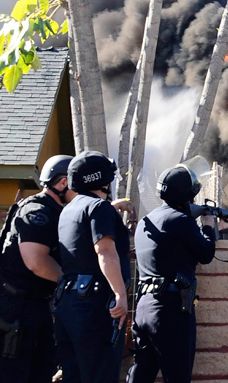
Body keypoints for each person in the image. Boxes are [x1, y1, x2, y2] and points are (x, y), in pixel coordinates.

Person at [127, 164, 228, 383]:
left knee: (141, 374)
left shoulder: (148, 221)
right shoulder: (181, 220)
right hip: (170, 309)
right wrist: (207, 226)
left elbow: (173, 248)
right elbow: (205, 254)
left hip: (144, 308)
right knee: (177, 376)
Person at [54, 151, 134, 383]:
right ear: (102, 178)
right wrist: (120, 294)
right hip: (94, 306)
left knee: (74, 376)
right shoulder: (99, 208)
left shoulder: (67, 211)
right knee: (100, 374)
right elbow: (105, 251)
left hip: (66, 304)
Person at [0, 155, 74, 383]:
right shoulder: (37, 211)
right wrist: (70, 281)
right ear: (62, 183)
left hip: (33, 307)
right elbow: (36, 261)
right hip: (17, 310)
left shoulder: (54, 211)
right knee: (16, 373)